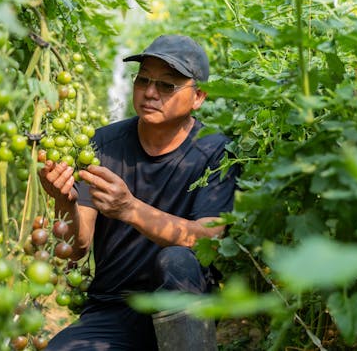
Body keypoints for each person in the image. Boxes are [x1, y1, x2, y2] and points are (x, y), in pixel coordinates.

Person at [38, 34, 239, 350]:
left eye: (166, 86)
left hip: (185, 308)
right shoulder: (103, 145)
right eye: (143, 80)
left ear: (198, 96)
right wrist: (64, 199)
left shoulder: (216, 152)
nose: (149, 92)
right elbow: (78, 246)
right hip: (114, 307)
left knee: (178, 259)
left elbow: (208, 240)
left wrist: (129, 208)